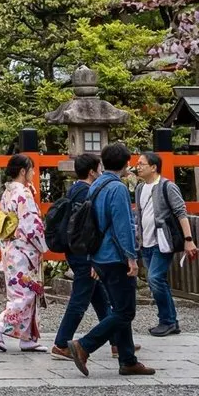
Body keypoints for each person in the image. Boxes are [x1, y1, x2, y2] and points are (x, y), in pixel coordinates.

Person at [67, 143, 155, 377]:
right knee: (126, 311)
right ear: (126, 163)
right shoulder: (116, 188)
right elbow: (123, 225)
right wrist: (132, 257)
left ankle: (127, 360)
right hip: (115, 256)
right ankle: (84, 345)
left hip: (98, 254)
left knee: (119, 308)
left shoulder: (96, 185)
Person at [0, 154, 47, 352]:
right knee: (24, 295)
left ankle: (28, 338)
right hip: (23, 252)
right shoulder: (23, 194)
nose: (34, 173)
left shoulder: (8, 192)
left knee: (25, 293)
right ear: (23, 171)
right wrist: (43, 245)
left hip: (11, 249)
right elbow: (31, 225)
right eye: (32, 169)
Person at [53, 154, 111, 360]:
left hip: (74, 249)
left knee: (100, 297)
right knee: (80, 299)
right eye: (99, 169)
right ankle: (61, 343)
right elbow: (90, 227)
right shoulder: (88, 192)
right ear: (92, 172)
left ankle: (118, 341)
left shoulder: (74, 189)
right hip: (84, 252)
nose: (101, 172)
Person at [134, 151, 197, 337]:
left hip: (163, 240)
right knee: (157, 280)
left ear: (153, 167)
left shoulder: (167, 186)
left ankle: (167, 320)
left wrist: (188, 240)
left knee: (154, 278)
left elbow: (180, 212)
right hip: (145, 241)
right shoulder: (139, 189)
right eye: (137, 164)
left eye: (142, 164)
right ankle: (170, 320)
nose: (138, 167)